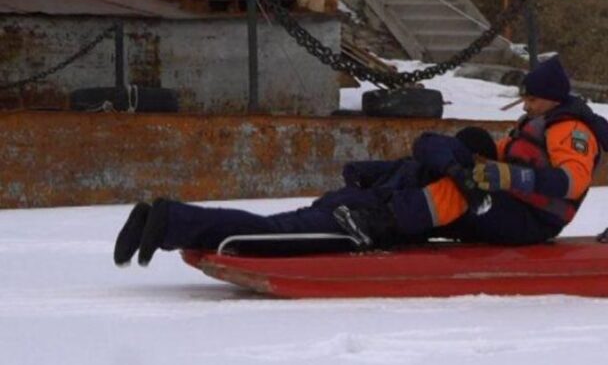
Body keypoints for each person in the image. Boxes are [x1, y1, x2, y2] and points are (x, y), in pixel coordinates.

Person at [113, 127, 498, 267]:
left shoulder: (420, 162)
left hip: (339, 205)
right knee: (265, 235)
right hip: (353, 225)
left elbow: (357, 171)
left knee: (271, 227)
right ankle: (169, 221)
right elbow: (412, 215)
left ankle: (155, 220)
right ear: (476, 157)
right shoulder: (455, 179)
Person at [336, 55, 608, 248]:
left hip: (533, 220)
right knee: (453, 148)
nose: (525, 106)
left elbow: (574, 182)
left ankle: (379, 221)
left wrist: (511, 177)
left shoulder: (571, 130)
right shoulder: (536, 122)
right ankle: (368, 182)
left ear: (552, 99)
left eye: (532, 100)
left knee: (455, 195)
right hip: (515, 203)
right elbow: (500, 152)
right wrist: (472, 154)